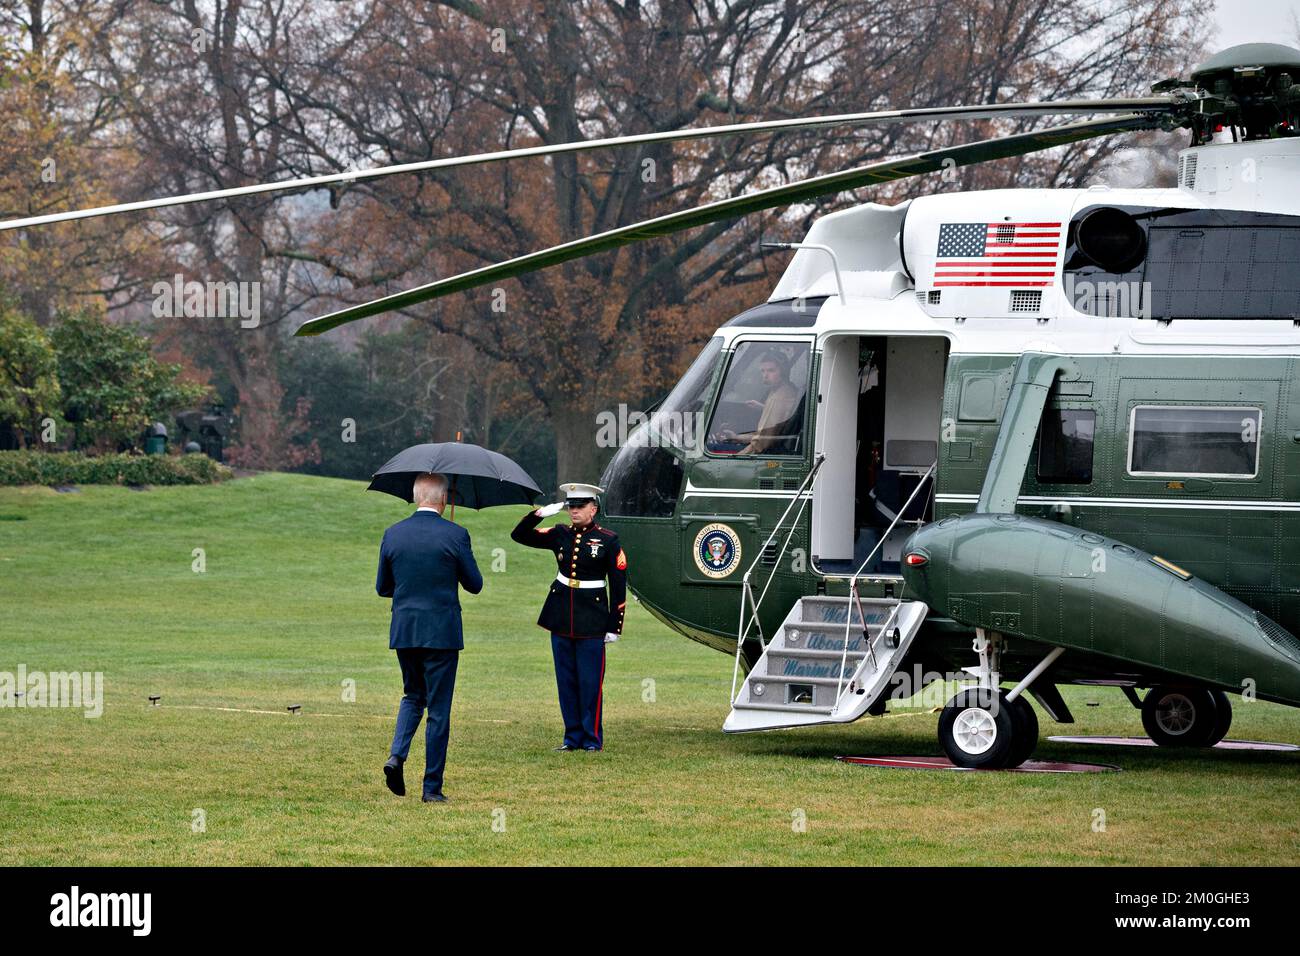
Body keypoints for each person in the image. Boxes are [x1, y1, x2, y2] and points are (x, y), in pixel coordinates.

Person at [376, 472, 483, 802]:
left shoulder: (393, 534)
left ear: (416, 496)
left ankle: (397, 755)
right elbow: (474, 584)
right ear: (445, 499)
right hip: (441, 633)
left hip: (405, 630)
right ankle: (432, 789)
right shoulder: (456, 534)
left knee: (412, 695)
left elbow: (383, 587)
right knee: (438, 710)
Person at [511, 482, 627, 752]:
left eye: (580, 506)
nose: (574, 511)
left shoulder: (609, 540)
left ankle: (591, 739)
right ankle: (571, 738)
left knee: (590, 682)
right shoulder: (560, 533)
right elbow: (519, 535)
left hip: (592, 619)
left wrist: (615, 626)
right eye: (570, 506)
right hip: (561, 615)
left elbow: (618, 583)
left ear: (593, 508)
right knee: (566, 681)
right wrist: (539, 514)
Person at [738, 350, 801, 454]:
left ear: (783, 371)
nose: (765, 375)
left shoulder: (779, 396)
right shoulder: (785, 389)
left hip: (767, 452)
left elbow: (761, 442)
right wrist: (736, 437)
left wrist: (739, 456)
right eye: (763, 371)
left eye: (771, 370)